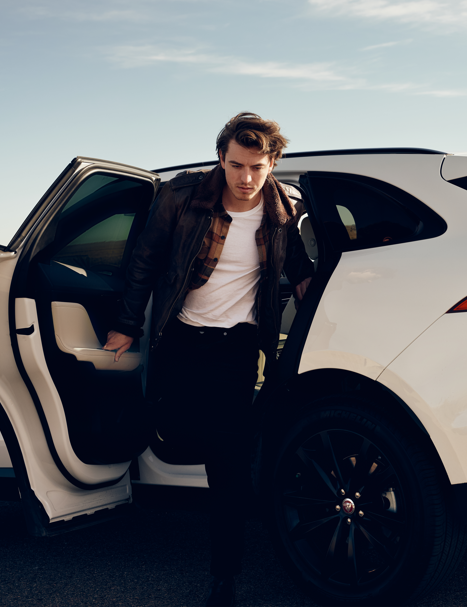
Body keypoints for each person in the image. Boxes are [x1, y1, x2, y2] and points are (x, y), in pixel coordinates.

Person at [104, 112, 314, 606]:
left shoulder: (281, 206)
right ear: (221, 158)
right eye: (237, 165)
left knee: (228, 463)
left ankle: (225, 576)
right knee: (170, 430)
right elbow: (145, 261)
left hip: (238, 349)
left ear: (272, 165)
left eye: (257, 168)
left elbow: (301, 270)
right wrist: (125, 325)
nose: (245, 179)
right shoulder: (182, 196)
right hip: (178, 340)